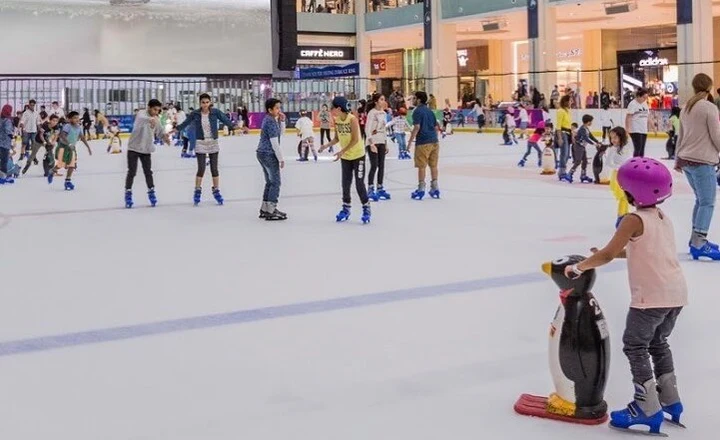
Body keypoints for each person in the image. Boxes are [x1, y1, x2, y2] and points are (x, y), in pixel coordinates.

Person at [565, 158, 687, 436]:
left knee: (635, 346)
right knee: (658, 343)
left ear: (631, 192)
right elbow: (639, 250)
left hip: (651, 298)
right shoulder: (660, 217)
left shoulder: (633, 219)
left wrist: (579, 266)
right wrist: (602, 253)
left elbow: (607, 254)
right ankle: (670, 399)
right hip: (675, 294)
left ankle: (646, 407)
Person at [674, 73, 720, 260]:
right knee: (707, 202)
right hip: (702, 161)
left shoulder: (686, 107)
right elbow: (716, 135)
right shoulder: (709, 107)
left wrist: (677, 158)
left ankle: (695, 240)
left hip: (687, 160)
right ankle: (700, 242)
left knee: (700, 200)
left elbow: (680, 136)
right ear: (709, 86)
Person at [174, 93, 239, 206]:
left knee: (214, 169)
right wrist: (176, 129)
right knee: (201, 169)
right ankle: (197, 190)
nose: (205, 104)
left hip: (213, 142)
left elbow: (225, 119)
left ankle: (216, 190)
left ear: (210, 103)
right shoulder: (195, 114)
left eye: (207, 102)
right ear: (200, 103)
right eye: (203, 102)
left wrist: (234, 126)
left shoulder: (215, 112)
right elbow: (186, 123)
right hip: (201, 142)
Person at [318, 96, 371, 224]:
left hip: (358, 156)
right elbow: (337, 138)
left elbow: (355, 140)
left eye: (332, 108)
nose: (331, 110)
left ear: (338, 108)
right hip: (346, 157)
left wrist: (342, 151)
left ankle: (366, 208)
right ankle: (346, 208)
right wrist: (326, 145)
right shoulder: (337, 120)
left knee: (359, 183)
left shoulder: (352, 119)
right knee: (345, 184)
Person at [124, 99, 170, 209]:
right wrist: (150, 119)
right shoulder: (141, 114)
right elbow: (141, 119)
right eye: (154, 109)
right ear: (148, 107)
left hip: (146, 149)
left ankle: (151, 191)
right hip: (133, 148)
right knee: (132, 172)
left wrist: (165, 137)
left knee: (148, 172)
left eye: (158, 110)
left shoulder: (156, 119)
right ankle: (128, 193)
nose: (156, 112)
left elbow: (159, 131)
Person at [256, 98, 287, 221]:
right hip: (268, 154)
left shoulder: (271, 119)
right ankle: (271, 209)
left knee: (269, 182)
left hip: (262, 153)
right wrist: (281, 159)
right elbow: (274, 142)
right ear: (270, 109)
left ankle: (265, 208)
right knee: (275, 182)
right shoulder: (270, 121)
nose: (279, 110)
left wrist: (282, 121)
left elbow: (281, 134)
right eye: (277, 108)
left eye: (280, 107)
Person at [407, 91, 442, 200]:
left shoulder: (417, 111)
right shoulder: (430, 111)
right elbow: (437, 126)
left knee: (421, 166)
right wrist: (434, 138)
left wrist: (409, 143)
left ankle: (421, 188)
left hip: (423, 142)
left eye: (414, 98)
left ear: (418, 100)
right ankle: (435, 187)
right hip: (434, 142)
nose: (412, 100)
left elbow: (416, 127)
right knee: (433, 165)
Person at [47, 111, 93, 190]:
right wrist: (69, 144)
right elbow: (62, 136)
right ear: (70, 119)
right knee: (60, 165)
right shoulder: (67, 126)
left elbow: (82, 137)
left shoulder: (78, 127)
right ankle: (52, 171)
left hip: (72, 148)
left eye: (78, 117)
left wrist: (88, 147)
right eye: (75, 118)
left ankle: (67, 181)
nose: (77, 119)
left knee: (72, 165)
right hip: (63, 147)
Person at [605, 127, 632, 227]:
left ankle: (624, 215)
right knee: (623, 197)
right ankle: (621, 218)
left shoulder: (627, 147)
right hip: (617, 176)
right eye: (611, 138)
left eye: (615, 137)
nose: (613, 140)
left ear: (621, 137)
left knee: (627, 197)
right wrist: (619, 167)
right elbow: (608, 163)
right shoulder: (613, 149)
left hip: (626, 175)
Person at [366, 94, 390, 201]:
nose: (383, 101)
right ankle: (370, 188)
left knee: (382, 166)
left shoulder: (384, 113)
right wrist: (371, 144)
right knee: (374, 165)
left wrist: (386, 143)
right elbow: (367, 129)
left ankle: (380, 187)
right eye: (381, 99)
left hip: (381, 141)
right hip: (373, 142)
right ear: (376, 101)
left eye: (384, 99)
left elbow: (384, 129)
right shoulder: (372, 113)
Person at [566, 114, 600, 184]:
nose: (591, 123)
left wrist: (597, 141)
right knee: (578, 161)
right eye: (591, 121)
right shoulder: (582, 129)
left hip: (582, 146)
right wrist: (594, 144)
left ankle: (583, 175)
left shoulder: (586, 128)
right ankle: (569, 174)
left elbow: (591, 136)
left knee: (585, 161)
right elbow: (585, 138)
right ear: (588, 122)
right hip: (578, 146)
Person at [626, 88, 649, 157]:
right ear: (638, 96)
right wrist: (627, 129)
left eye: (646, 98)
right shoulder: (633, 104)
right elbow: (628, 117)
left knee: (642, 149)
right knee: (638, 148)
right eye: (644, 97)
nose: (645, 99)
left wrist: (653, 128)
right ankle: (635, 164)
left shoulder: (644, 103)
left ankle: (641, 164)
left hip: (643, 130)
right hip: (635, 129)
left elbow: (648, 116)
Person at [556, 95, 573, 181]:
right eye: (570, 101)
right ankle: (562, 172)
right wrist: (559, 138)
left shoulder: (567, 111)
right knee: (564, 153)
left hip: (568, 133)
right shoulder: (561, 111)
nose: (571, 102)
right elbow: (558, 126)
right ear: (566, 102)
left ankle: (562, 171)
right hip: (562, 133)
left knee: (567, 154)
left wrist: (572, 135)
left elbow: (569, 125)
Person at [0, 104, 14, 185]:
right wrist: (13, 137)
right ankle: (3, 177)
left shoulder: (1, 118)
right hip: (5, 143)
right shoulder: (7, 120)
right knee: (4, 161)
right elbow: (8, 131)